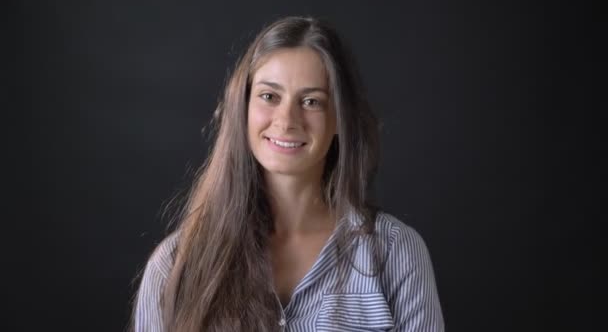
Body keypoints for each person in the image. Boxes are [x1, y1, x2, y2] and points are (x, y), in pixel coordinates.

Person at [130, 16, 444, 332]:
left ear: (339, 120)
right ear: (243, 108)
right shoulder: (175, 265)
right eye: (269, 96)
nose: (287, 120)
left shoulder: (395, 253)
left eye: (311, 101)